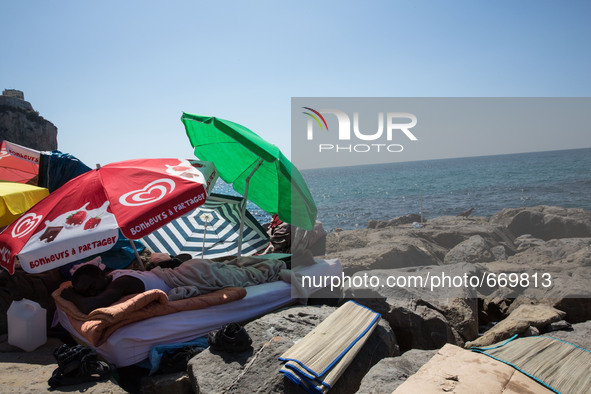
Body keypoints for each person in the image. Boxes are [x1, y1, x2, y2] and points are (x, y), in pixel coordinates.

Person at [60, 264, 170, 314]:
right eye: (86, 293)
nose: (92, 293)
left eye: (92, 287)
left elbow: (90, 307)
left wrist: (73, 296)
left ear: (102, 275)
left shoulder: (121, 282)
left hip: (172, 281)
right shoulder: (111, 276)